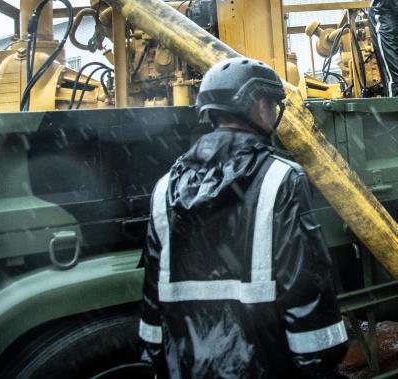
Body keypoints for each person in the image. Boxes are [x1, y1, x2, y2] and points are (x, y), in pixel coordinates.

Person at [139, 57, 347, 378]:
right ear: (260, 107)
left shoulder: (164, 188)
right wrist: (319, 367)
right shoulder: (281, 177)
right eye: (273, 105)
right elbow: (305, 288)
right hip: (267, 366)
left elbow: (153, 303)